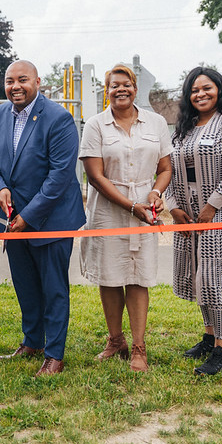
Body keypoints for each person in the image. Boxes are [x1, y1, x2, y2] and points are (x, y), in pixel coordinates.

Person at [0, 60, 85, 377]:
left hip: (50, 218)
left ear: (37, 81)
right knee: (25, 285)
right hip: (11, 217)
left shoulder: (58, 118)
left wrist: (28, 216)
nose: (16, 86)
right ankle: (32, 342)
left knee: (53, 289)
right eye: (9, 80)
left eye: (23, 79)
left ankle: (54, 354)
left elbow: (59, 177)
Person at [79, 64, 172, 372]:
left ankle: (139, 347)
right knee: (110, 276)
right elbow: (94, 175)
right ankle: (115, 339)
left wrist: (156, 194)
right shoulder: (96, 124)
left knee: (138, 277)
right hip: (108, 211)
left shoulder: (156, 122)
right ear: (106, 91)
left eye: (126, 84)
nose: (121, 89)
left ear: (136, 88)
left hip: (146, 210)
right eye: (114, 85)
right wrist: (131, 206)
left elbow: (165, 168)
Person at [166, 68, 222, 376]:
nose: (200, 94)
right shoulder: (185, 127)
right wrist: (172, 205)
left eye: (207, 88)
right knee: (197, 273)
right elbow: (169, 168)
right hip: (189, 210)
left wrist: (213, 204)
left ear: (220, 89)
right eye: (194, 90)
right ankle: (208, 336)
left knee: (215, 275)